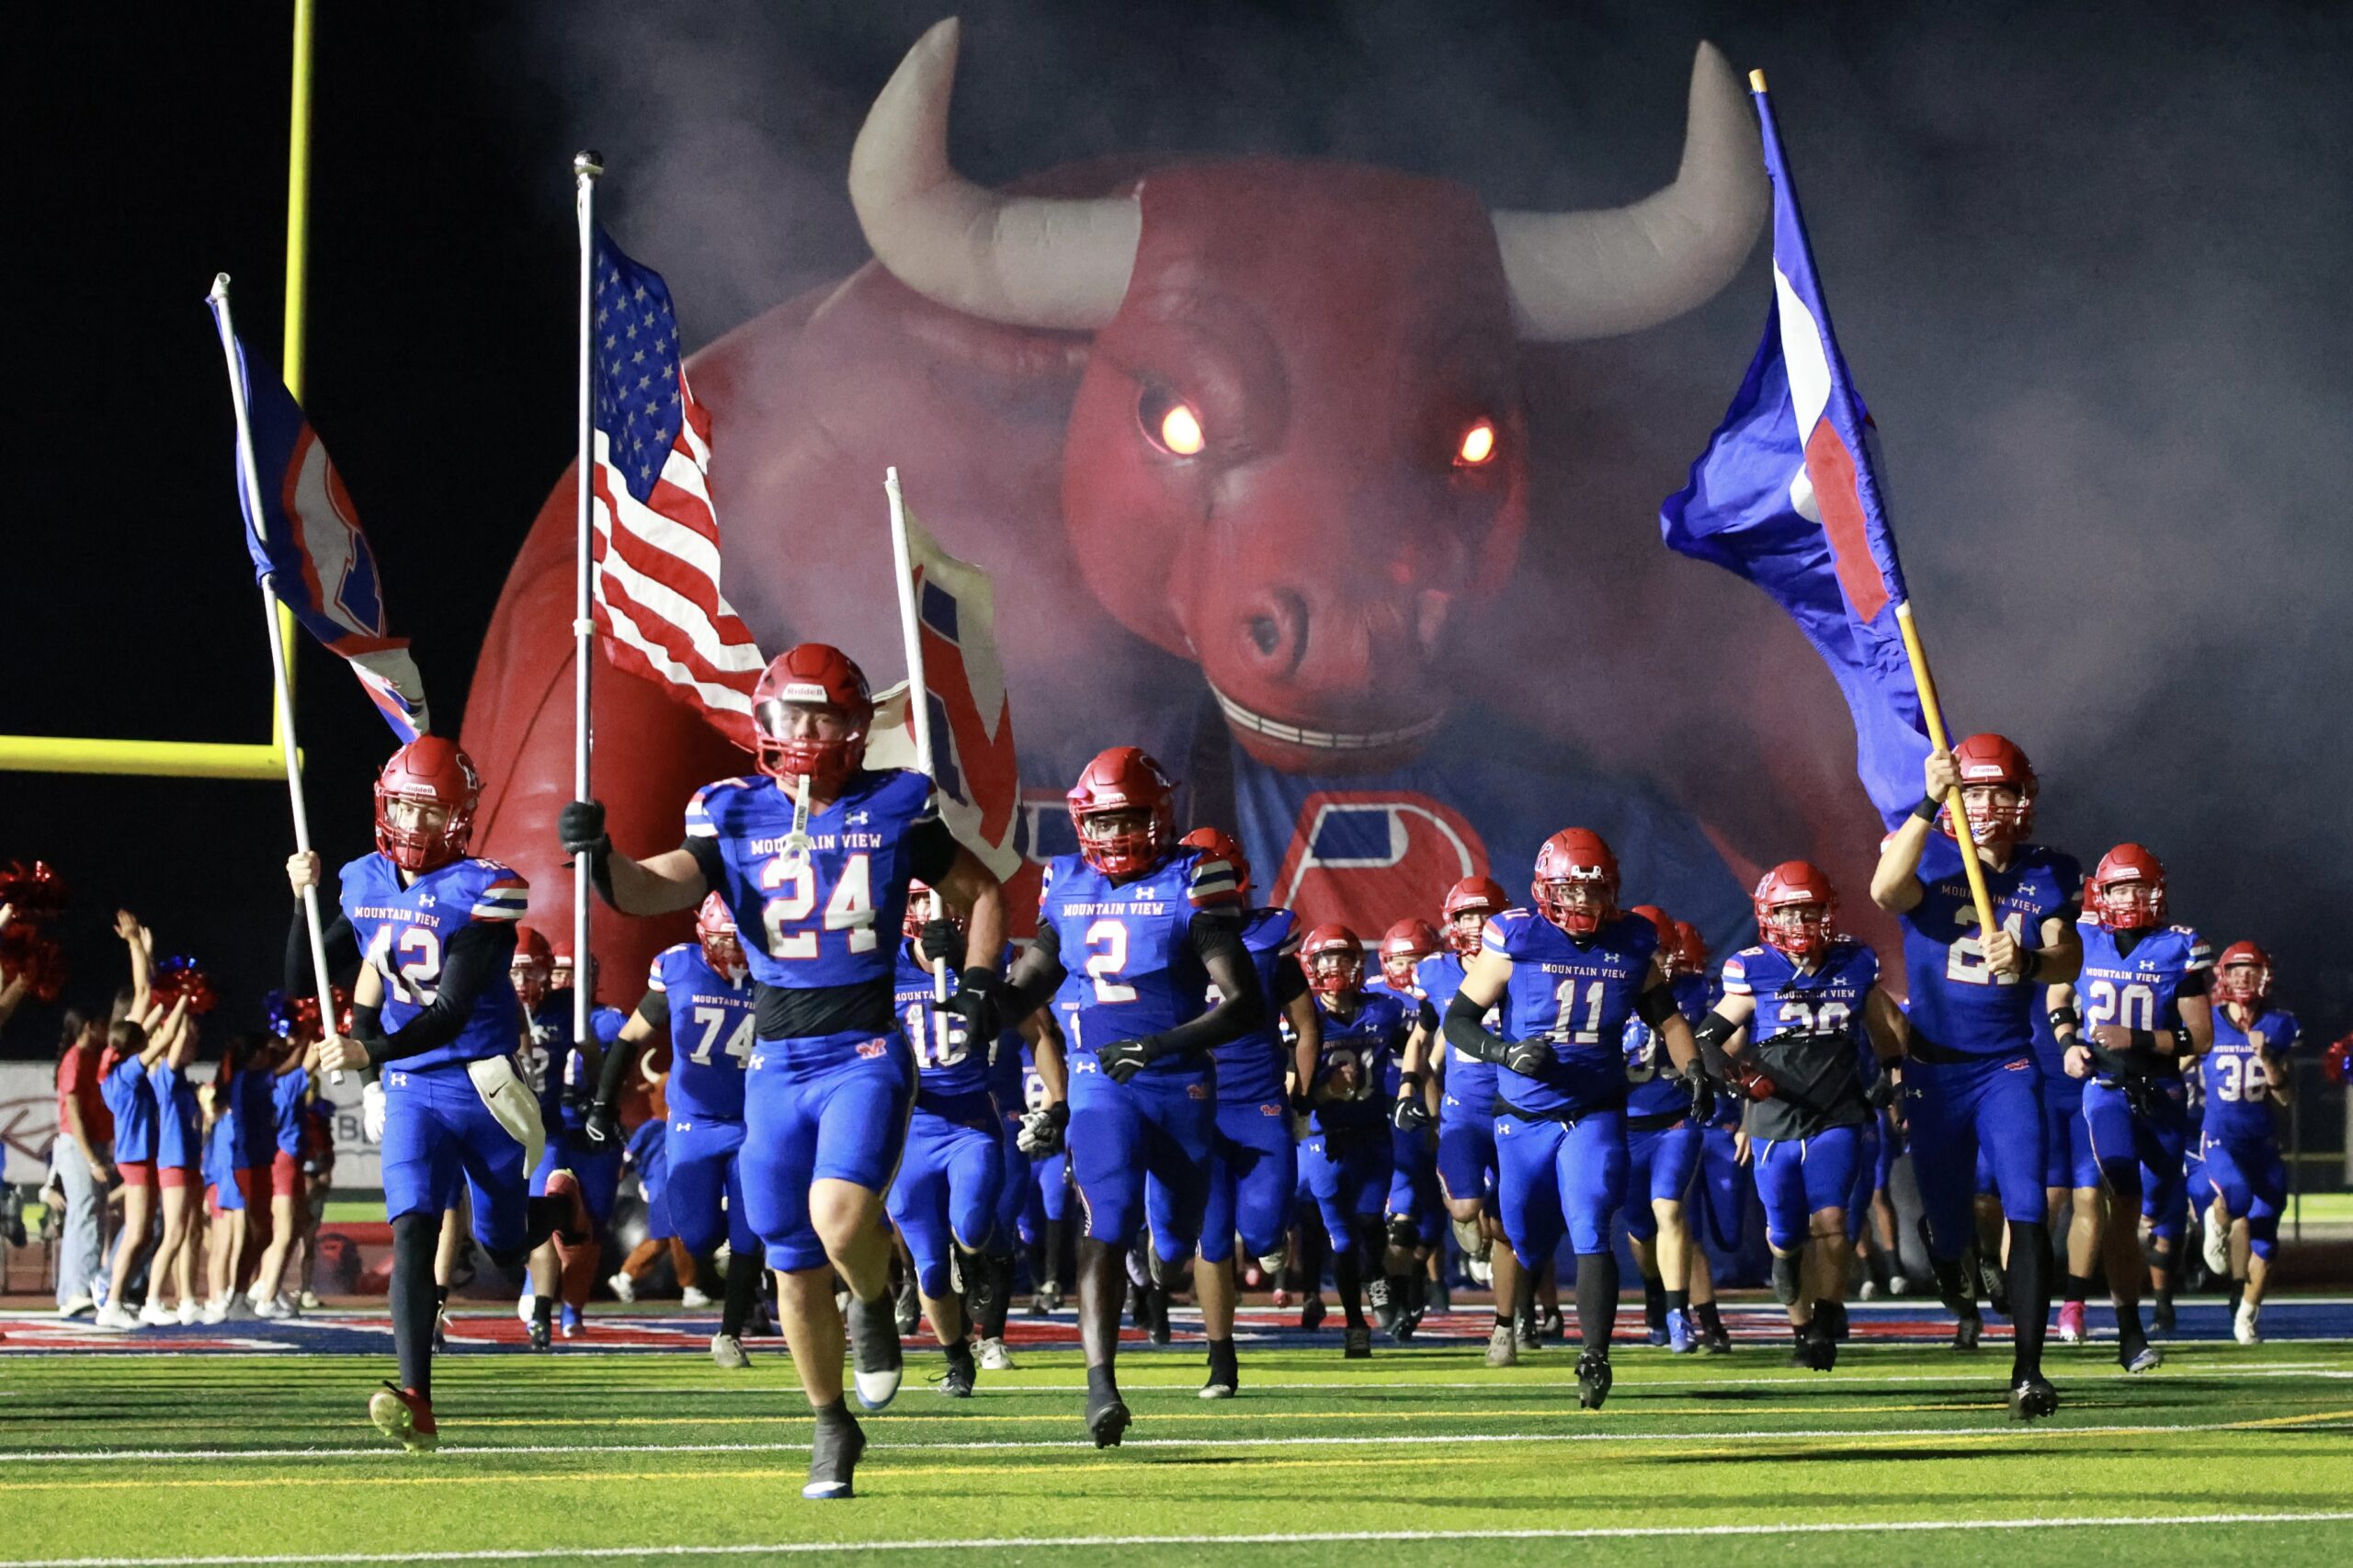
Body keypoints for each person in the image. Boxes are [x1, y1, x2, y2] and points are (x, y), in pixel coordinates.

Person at [560, 643, 1008, 1499]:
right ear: (764, 721)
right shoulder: (730, 811)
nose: (806, 731)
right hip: (776, 1060)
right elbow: (654, 889)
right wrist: (602, 857)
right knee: (787, 1254)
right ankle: (832, 1426)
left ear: (854, 726)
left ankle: (874, 1304)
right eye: (792, 713)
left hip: (863, 1048)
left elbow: (982, 894)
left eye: (825, 715)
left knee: (841, 1221)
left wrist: (981, 983)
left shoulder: (894, 803)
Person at [292, 733, 573, 1453]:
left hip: (483, 1084)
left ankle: (559, 1208)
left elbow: (448, 1010)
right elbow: (306, 974)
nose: (413, 827)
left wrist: (369, 1051)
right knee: (414, 1229)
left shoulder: (486, 886)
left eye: (430, 812)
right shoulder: (362, 879)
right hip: (415, 1086)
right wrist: (302, 899)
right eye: (405, 809)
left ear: (458, 817)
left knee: (502, 1244)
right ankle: (416, 1395)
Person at [994, 746, 1263, 1447]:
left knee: (1173, 1252)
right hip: (1097, 1081)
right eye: (1104, 822)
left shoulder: (1192, 879)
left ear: (1161, 815)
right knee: (1105, 1221)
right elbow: (1028, 989)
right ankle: (1100, 1385)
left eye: (1130, 820)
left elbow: (1243, 1005)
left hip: (1179, 1084)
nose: (1115, 837)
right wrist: (977, 994)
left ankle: (1157, 1269)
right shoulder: (1067, 883)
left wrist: (1161, 1045)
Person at [1443, 828, 1699, 1409]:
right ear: (1545, 888)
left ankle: (1596, 1356)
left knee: (1591, 1223)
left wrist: (1693, 1073)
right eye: (1571, 892)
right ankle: (1520, 1304)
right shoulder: (1516, 937)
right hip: (1524, 1113)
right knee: (1526, 1236)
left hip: (1594, 1109)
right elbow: (1457, 1022)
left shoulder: (1634, 940)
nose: (1583, 904)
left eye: (1594, 892)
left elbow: (1668, 1017)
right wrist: (1504, 1052)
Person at [1868, 735, 2081, 1421]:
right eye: (1977, 789)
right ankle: (1956, 1261)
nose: (1989, 804)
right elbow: (1884, 890)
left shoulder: (2048, 871)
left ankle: (2029, 1369)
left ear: (2025, 799)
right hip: (1935, 1069)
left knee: (2026, 1205)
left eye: (2003, 791)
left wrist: (2027, 960)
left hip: (2007, 1066)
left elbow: (2067, 956)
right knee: (1948, 1236)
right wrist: (1931, 798)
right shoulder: (1928, 849)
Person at [1704, 862, 1903, 1371]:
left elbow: (1882, 1024)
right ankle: (1799, 1323)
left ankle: (1826, 1319)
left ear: (1827, 913)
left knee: (1832, 1218)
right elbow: (1708, 1042)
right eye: (1789, 912)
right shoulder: (1754, 969)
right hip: (1774, 1117)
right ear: (1769, 916)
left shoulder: (1853, 963)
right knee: (1785, 1236)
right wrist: (1740, 1084)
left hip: (1837, 1112)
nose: (1799, 922)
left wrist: (1896, 1073)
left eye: (1808, 911)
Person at [1147, 825, 1312, 1398]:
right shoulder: (1159, 932)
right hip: (1192, 1102)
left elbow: (1306, 1023)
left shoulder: (1269, 936)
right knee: (1207, 1241)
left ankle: (1262, 1245)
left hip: (1256, 1100)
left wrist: (1304, 1094)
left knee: (1264, 1231)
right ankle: (1222, 1362)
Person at [2046, 844, 2208, 1373]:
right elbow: (2059, 992)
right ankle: (2130, 1332)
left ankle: (2141, 1312)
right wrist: (2068, 1040)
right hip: (2107, 1091)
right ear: (2103, 893)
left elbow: (2199, 1037)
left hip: (2161, 1095)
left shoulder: (2177, 947)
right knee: (2122, 1195)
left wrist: (2135, 1037)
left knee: (2155, 1211)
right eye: (2121, 888)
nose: (2132, 897)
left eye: (2141, 887)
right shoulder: (2086, 937)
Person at [590, 895, 762, 1367]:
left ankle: (730, 1333)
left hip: (755, 1121)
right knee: (698, 1235)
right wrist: (604, 1103)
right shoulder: (679, 967)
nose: (734, 953)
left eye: (740, 941)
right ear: (705, 938)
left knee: (751, 1231)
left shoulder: (774, 969)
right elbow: (629, 1037)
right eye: (725, 942)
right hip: (694, 1123)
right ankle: (727, 1257)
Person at [1407, 875, 1518, 1365]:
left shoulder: (1525, 965)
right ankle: (1458, 1185)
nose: (1475, 924)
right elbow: (1421, 1035)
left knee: (1508, 1230)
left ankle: (1505, 1327)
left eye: (1484, 913)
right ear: (1451, 923)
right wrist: (1412, 1084)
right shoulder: (1436, 973)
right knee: (1465, 1208)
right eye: (1466, 915)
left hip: (1518, 1107)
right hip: (1465, 1108)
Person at [1292, 925, 1415, 1360]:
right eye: (1324, 959)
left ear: (1358, 964)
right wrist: (1324, 1090)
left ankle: (1377, 1272)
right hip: (1324, 1140)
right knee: (1341, 1237)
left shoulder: (1383, 1010)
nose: (1333, 968)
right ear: (1310, 966)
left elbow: (1416, 1042)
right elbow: (1291, 1086)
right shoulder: (1305, 1017)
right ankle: (1353, 1322)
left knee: (1369, 1223)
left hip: (1373, 1135)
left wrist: (1413, 1087)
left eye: (1341, 958)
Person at [1617, 904, 1710, 1355]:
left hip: (1675, 1120)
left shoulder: (1695, 991)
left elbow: (1722, 1039)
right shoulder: (1606, 988)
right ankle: (1655, 1291)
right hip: (1623, 1126)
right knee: (1638, 1227)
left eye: (1662, 951)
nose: (1656, 960)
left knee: (1669, 1210)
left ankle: (1679, 1313)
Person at [2198, 942, 2300, 1344]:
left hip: (2262, 1143)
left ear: (2264, 975)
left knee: (2266, 1241)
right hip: (2221, 1137)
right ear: (2223, 975)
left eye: (2250, 969)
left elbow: (2286, 1096)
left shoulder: (2280, 1024)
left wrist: (2268, 1058)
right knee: (2235, 1197)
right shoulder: (2206, 1019)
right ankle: (2215, 1224)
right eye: (2235, 969)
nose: (2242, 977)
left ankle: (2246, 1316)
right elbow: (2180, 1063)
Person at [51, 1008, 113, 1317]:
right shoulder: (75, 1058)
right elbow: (73, 1112)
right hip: (78, 1146)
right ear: (89, 1026)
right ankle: (79, 1289)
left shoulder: (91, 1057)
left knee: (89, 1216)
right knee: (85, 1215)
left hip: (90, 1145)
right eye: (102, 1024)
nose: (107, 1030)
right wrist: (91, 1159)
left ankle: (71, 1292)